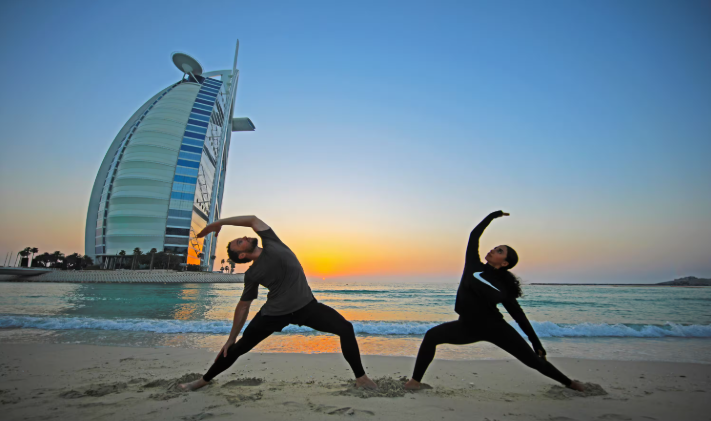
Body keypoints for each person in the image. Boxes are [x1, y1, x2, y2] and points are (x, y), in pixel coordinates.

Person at [179, 215, 377, 391]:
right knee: (238, 348)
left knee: (346, 328)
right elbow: (244, 305)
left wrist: (220, 222)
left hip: (307, 307)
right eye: (240, 242)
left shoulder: (272, 242)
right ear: (242, 255)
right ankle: (203, 381)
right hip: (274, 314)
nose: (245, 237)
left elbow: (252, 219)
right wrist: (231, 338)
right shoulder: (252, 274)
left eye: (242, 238)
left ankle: (361, 378)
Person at [404, 211, 585, 392]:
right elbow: (474, 235)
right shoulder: (473, 266)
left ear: (504, 263)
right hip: (466, 327)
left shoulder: (504, 287)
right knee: (431, 336)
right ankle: (414, 382)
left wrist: (536, 342)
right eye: (496, 247)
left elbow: (518, 315)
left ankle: (571, 384)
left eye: (499, 251)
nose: (493, 250)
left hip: (495, 328)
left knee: (533, 361)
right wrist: (492, 216)